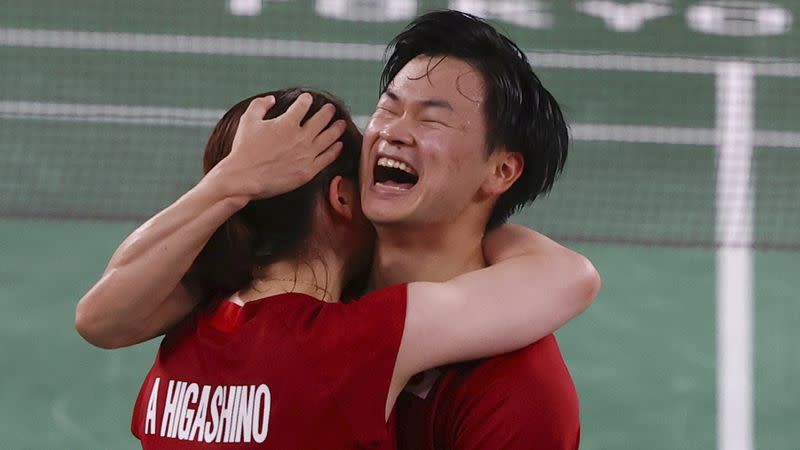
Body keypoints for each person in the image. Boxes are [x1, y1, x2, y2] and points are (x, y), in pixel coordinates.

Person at [75, 88, 599, 449]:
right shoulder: (354, 343)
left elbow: (99, 317)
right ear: (344, 200)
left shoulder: (182, 337)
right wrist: (459, 214)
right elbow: (568, 276)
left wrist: (230, 181)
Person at [358, 10, 588, 449]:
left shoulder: (518, 392)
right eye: (388, 108)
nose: (393, 133)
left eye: (431, 120)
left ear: (501, 170)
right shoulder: (307, 285)